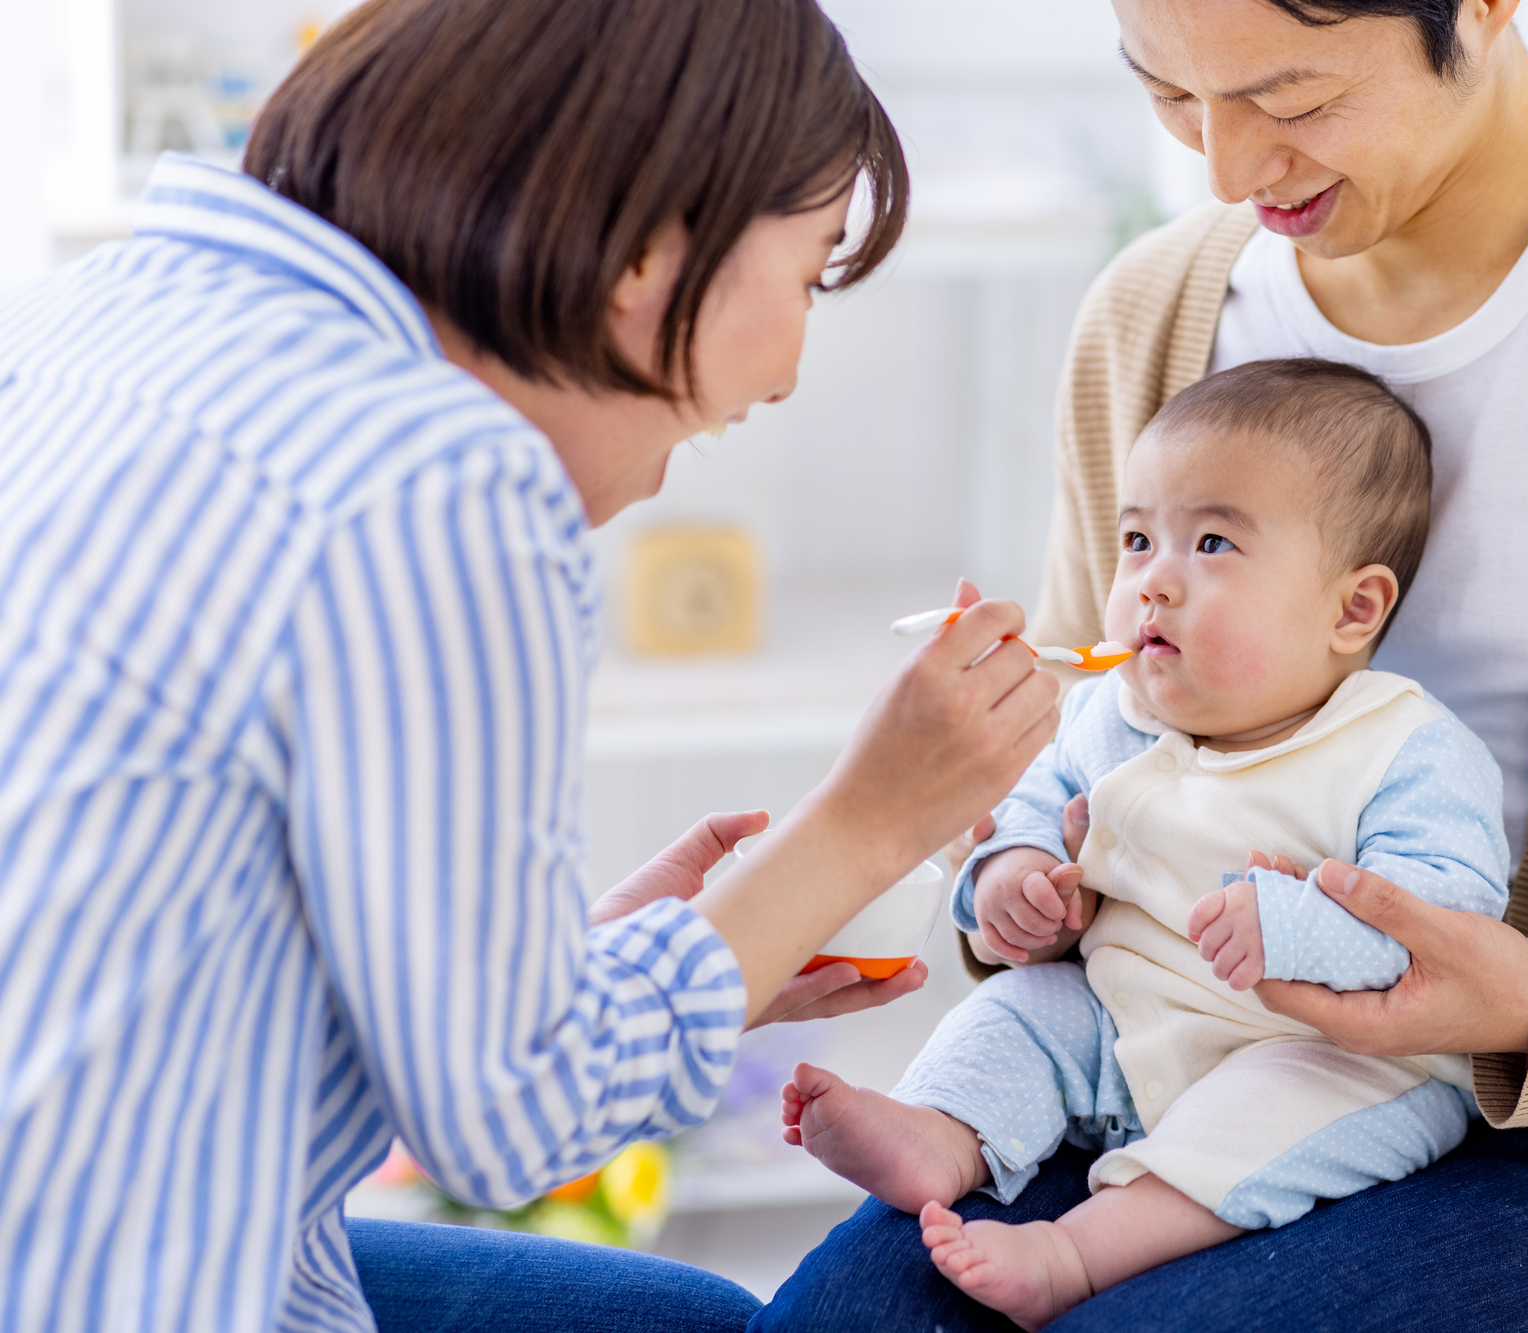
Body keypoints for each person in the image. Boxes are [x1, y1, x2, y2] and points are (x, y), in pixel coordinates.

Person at [758, 1, 1528, 1330]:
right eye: (1170, 96)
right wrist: (1014, 873)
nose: (1226, 169)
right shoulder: (1153, 314)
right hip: (1148, 1039)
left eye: (1291, 102)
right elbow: (1096, 735)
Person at [0, 2, 1061, 1331]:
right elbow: (508, 1120)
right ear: (648, 252)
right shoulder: (437, 475)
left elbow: (198, 958)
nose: (788, 371)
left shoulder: (84, 321)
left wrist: (607, 958)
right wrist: (865, 827)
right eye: (806, 275)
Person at [781, 359, 1512, 1329]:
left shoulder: (1402, 748)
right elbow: (1029, 809)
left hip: (1323, 1054)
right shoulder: (1105, 713)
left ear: (1353, 609)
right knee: (1028, 1010)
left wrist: (1296, 926)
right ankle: (940, 1132)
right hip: (1121, 1033)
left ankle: (1074, 1251)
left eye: (1210, 543)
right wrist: (1015, 879)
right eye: (1136, 539)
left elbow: (1445, 921)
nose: (1152, 581)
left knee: (1273, 1104)